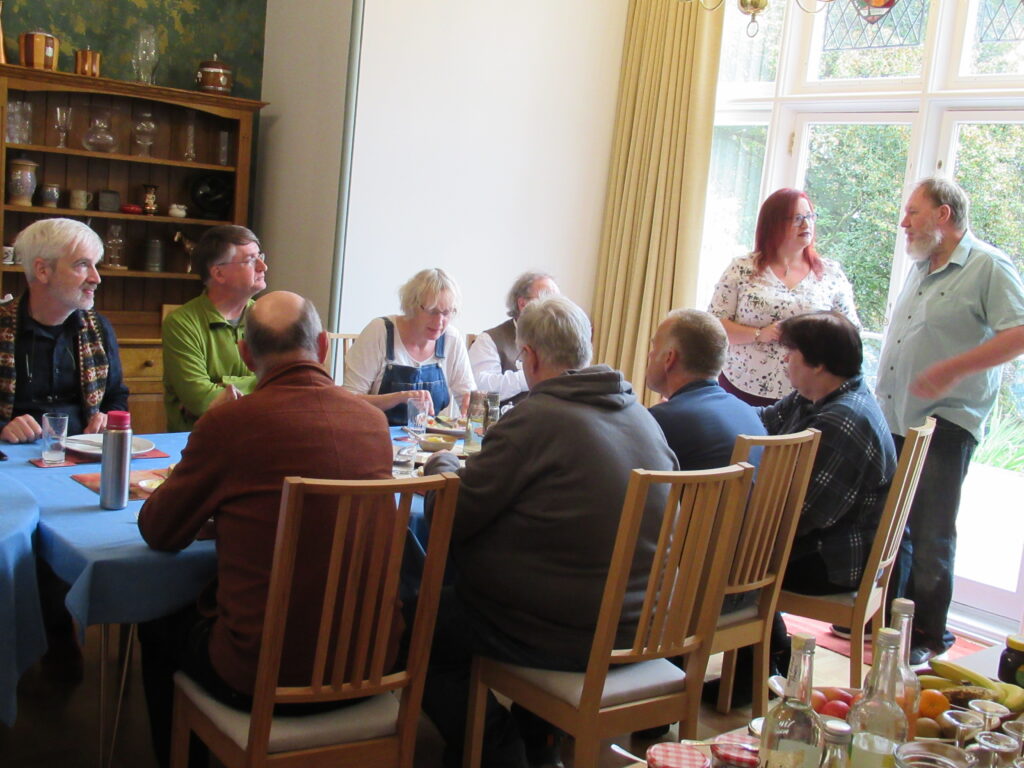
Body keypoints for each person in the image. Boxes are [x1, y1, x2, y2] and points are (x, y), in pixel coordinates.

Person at [136, 291, 395, 767]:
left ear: (246, 354)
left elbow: (160, 531)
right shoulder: (373, 423)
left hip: (260, 675)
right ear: (320, 346)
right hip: (369, 666)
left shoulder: (231, 424)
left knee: (155, 618)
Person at [419, 295, 677, 768]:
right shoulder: (642, 415)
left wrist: (443, 462)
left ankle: (499, 750)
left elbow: (449, 517)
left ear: (532, 357)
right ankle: (539, 738)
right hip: (646, 624)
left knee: (423, 619)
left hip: (569, 633)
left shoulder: (536, 419)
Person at [876, 177, 1024, 665]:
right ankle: (888, 627)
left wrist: (953, 369)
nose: (904, 223)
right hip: (898, 415)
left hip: (946, 420)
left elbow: (1019, 333)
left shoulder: (987, 266)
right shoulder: (922, 266)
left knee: (932, 529)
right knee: (896, 529)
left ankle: (928, 637)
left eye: (913, 212)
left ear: (943, 215)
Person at [762, 311, 897, 594]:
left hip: (832, 562)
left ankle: (750, 637)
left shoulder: (842, 421)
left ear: (819, 363)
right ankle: (765, 637)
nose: (785, 359)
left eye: (792, 351)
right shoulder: (815, 394)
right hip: (818, 544)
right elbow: (765, 421)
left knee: (706, 556)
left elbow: (800, 516)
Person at [708, 188, 859, 406]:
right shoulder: (741, 269)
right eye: (797, 218)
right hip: (741, 386)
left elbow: (850, 332)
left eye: (809, 217)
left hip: (807, 394)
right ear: (774, 224)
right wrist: (759, 334)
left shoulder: (830, 274)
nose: (806, 225)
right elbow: (713, 328)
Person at [0, 218, 129, 443]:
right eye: (82, 264)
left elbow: (116, 396)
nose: (96, 278)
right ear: (42, 270)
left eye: (95, 265)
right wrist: (2, 428)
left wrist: (107, 418)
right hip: (11, 458)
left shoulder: (99, 329)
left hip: (83, 455)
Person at [162, 225, 266, 432]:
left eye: (261, 256)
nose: (263, 266)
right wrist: (261, 387)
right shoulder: (181, 323)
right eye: (250, 260)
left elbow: (285, 385)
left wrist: (223, 385)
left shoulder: (267, 316)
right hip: (197, 443)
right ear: (219, 273)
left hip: (257, 438)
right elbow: (200, 400)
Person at [343, 267, 475, 425]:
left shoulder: (451, 339)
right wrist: (399, 397)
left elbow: (468, 397)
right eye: (432, 311)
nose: (440, 322)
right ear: (412, 305)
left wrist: (473, 404)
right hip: (378, 437)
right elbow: (348, 401)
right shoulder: (380, 332)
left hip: (430, 442)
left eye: (446, 313)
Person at [646, 308, 766, 470]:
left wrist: (661, 417)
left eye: (654, 348)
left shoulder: (662, 421)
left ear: (669, 358)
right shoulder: (746, 411)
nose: (650, 355)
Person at [468, 271, 559, 405]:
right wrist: (530, 377)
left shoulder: (558, 341)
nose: (555, 307)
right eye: (546, 298)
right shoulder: (489, 340)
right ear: (522, 304)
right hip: (506, 423)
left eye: (557, 300)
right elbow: (481, 389)